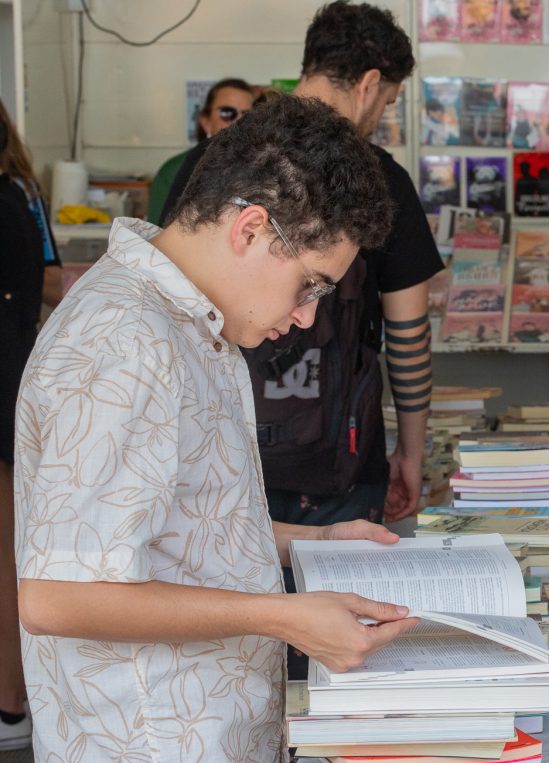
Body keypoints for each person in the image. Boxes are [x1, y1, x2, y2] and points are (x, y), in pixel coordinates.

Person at [15, 93, 421, 763]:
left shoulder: (193, 321)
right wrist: (281, 616)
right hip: (150, 762)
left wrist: (308, 543)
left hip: (210, 737)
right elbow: (58, 594)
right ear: (251, 228)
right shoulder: (125, 341)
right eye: (309, 285)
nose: (304, 316)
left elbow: (168, 522)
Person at [163, 1, 444, 526]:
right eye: (387, 101)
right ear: (369, 83)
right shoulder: (378, 178)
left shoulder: (212, 164)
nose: (380, 115)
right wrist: (410, 451)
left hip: (221, 464)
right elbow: (408, 336)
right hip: (338, 468)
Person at [0, 98, 60, 752]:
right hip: (14, 374)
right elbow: (50, 281)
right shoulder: (24, 191)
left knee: (10, 555)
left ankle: (11, 702)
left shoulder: (13, 195)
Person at [148, 77, 253, 225]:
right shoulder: (173, 170)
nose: (238, 122)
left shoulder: (260, 169)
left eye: (247, 116)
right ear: (205, 121)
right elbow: (155, 233)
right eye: (228, 113)